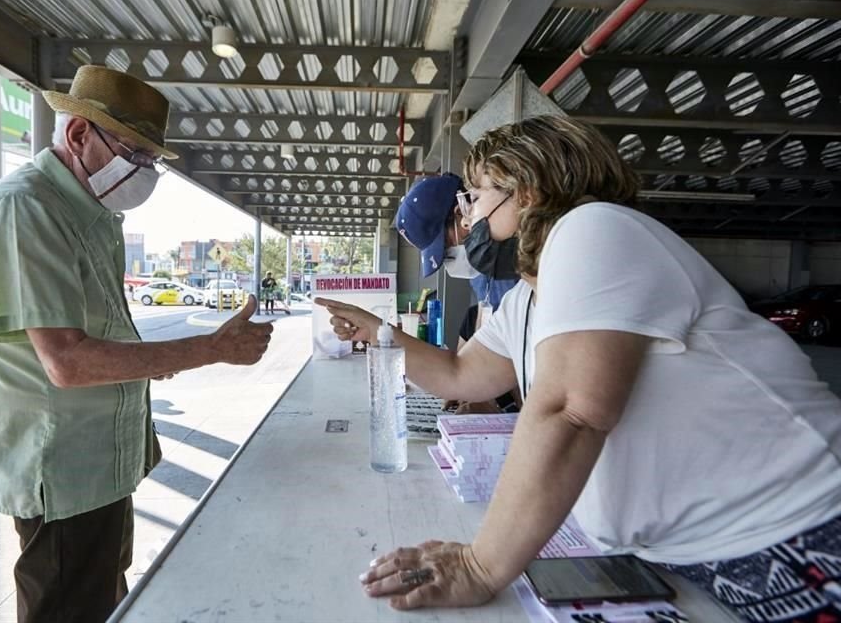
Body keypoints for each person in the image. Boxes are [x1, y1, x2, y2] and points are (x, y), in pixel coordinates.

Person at [319, 115, 841, 622]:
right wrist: (377, 331)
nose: (469, 214)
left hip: (803, 533)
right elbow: (461, 373)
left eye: (474, 195)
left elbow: (572, 410)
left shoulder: (594, 229)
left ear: (525, 189)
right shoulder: (528, 296)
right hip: (700, 554)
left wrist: (480, 564)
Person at [0, 65, 273, 623]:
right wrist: (213, 348)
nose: (144, 173)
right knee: (67, 607)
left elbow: (109, 336)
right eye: (136, 156)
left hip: (101, 467)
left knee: (101, 602)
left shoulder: (93, 217)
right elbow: (68, 362)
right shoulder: (25, 210)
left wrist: (162, 361)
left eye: (150, 162)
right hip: (63, 469)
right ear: (78, 135)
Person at [395, 173, 524, 413]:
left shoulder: (522, 265)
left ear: (462, 210)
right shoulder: (481, 271)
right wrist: (476, 393)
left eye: (445, 247)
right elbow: (487, 324)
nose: (448, 259)